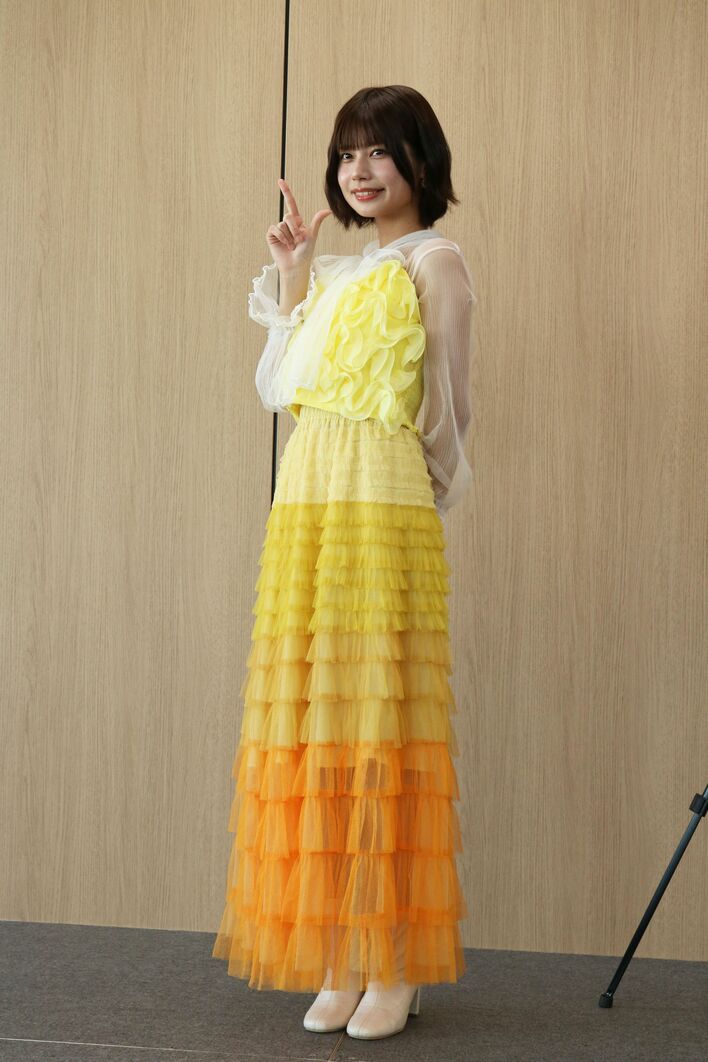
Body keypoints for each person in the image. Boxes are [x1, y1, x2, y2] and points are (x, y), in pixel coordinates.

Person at [212, 84, 477, 1041]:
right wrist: (294, 276)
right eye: (346, 154)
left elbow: (447, 408)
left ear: (418, 162)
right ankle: (340, 954)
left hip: (380, 501)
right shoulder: (335, 275)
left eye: (378, 152)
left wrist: (413, 500)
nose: (358, 172)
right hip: (309, 500)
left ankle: (392, 961)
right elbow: (280, 388)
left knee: (379, 732)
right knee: (316, 729)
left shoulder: (435, 262)